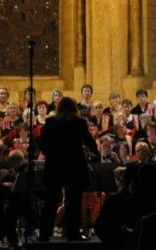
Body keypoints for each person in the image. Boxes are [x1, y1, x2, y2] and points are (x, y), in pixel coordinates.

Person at [38, 96, 99, 241]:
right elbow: (90, 143)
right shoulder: (79, 122)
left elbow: (43, 145)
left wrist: (52, 154)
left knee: (51, 200)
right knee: (74, 201)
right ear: (74, 109)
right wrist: (94, 152)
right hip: (75, 166)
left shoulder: (51, 122)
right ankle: (73, 234)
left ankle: (44, 234)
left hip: (54, 166)